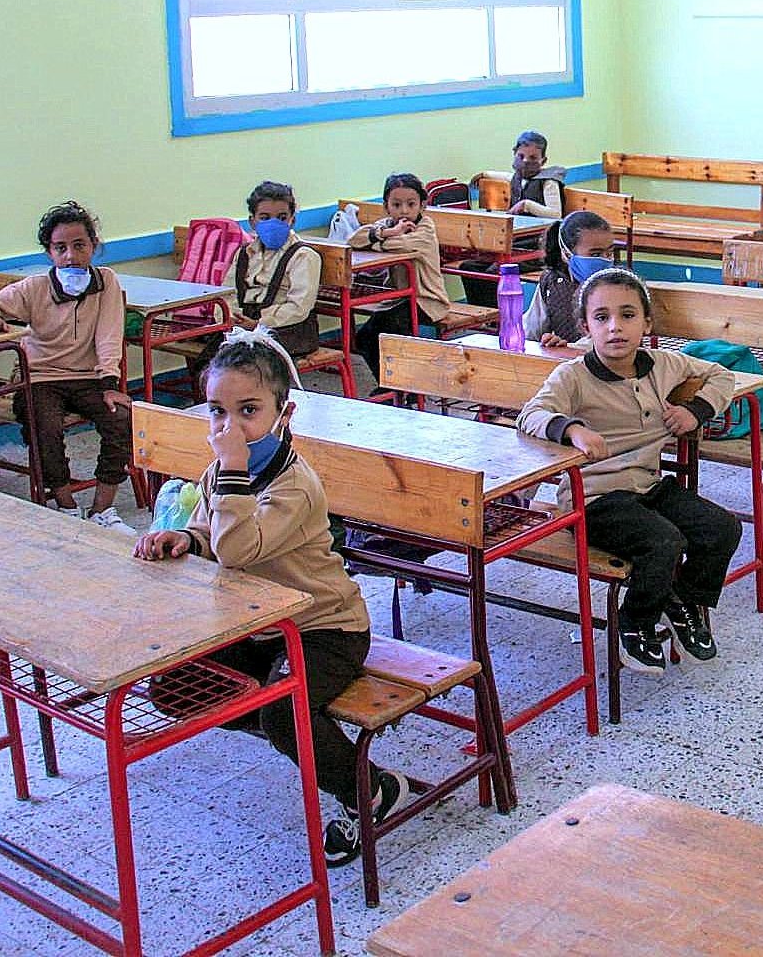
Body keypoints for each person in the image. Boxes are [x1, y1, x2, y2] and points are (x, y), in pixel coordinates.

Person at [133, 334, 409, 866]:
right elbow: (211, 528)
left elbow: (237, 549)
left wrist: (231, 471)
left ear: (285, 414)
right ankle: (296, 730)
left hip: (326, 627)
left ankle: (370, 789)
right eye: (218, 411)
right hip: (260, 626)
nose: (229, 427)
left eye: (249, 411)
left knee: (285, 712)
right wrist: (186, 539)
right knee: (173, 690)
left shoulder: (293, 484)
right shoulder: (223, 470)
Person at [516, 268, 740, 675]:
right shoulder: (573, 376)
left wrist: (696, 410)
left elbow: (720, 374)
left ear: (647, 323)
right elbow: (530, 415)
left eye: (628, 315)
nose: (615, 328)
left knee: (722, 528)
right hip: (595, 499)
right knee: (663, 541)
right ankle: (634, 623)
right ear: (585, 327)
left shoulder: (662, 365)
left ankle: (681, 600)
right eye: (601, 318)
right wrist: (573, 428)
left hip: (647, 486)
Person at [0, 201, 133, 531]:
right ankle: (66, 505)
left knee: (122, 420)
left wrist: (110, 385)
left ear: (93, 247)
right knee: (44, 426)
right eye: (61, 248)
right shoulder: (35, 287)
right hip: (40, 377)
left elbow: (109, 336)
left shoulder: (106, 283)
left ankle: (102, 510)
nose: (71, 256)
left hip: (91, 378)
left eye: (79, 245)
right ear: (50, 253)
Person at [190, 180, 321, 395]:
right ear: (252, 222)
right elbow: (227, 293)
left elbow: (299, 306)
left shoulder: (303, 256)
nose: (274, 223)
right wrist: (230, 317)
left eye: (281, 218)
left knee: (251, 369)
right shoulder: (244, 253)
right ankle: (211, 415)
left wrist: (260, 323)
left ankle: (255, 416)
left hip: (286, 328)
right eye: (264, 218)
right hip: (242, 324)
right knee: (208, 366)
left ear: (292, 220)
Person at [347, 174, 450, 392]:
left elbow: (401, 246)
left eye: (411, 204)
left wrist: (378, 240)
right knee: (365, 337)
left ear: (423, 205)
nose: (404, 211)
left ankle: (407, 389)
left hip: (427, 300)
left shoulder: (425, 229)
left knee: (394, 331)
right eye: (396, 204)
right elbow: (353, 240)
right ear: (386, 206)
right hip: (397, 300)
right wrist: (387, 232)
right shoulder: (387, 225)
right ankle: (390, 385)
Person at [464, 131, 568, 304]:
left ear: (543, 161)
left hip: (537, 248)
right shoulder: (517, 178)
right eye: (521, 156)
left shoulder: (548, 182)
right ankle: (482, 312)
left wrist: (526, 205)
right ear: (514, 154)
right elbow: (504, 176)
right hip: (515, 244)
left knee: (495, 271)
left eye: (533, 158)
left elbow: (556, 214)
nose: (526, 162)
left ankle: (497, 318)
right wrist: (484, 174)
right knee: (469, 267)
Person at [523, 211, 614, 347]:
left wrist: (568, 347)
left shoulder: (618, 287)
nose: (605, 260)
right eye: (595, 254)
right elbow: (530, 331)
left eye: (610, 252)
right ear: (566, 254)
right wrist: (546, 342)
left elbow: (609, 338)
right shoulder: (552, 282)